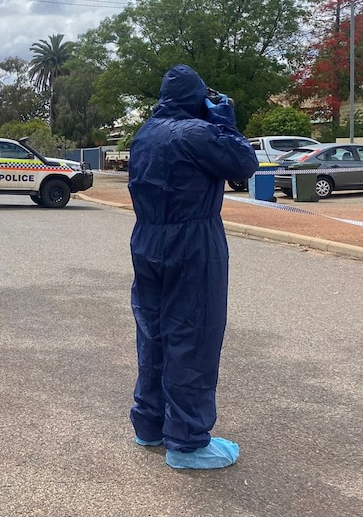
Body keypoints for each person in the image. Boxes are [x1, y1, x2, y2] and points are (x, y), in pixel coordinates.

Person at [127, 64, 258, 470]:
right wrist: (226, 125)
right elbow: (243, 165)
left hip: (147, 237)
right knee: (192, 333)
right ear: (198, 98)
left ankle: (149, 424)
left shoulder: (145, 134)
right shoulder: (196, 134)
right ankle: (186, 441)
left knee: (154, 332)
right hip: (191, 241)